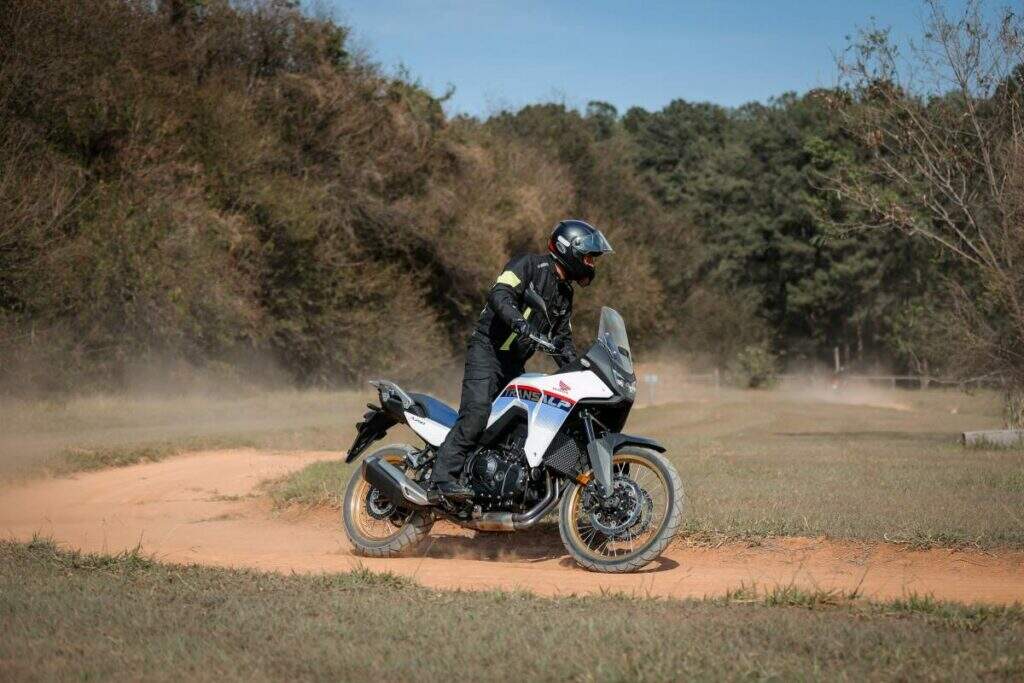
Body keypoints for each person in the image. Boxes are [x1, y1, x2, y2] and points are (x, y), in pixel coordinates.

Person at [429, 219, 613, 500]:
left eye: (593, 259)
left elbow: (562, 341)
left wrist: (580, 376)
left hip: (513, 364)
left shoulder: (564, 295)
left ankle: (494, 488)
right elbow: (500, 293)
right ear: (568, 249)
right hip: (487, 352)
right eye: (588, 257)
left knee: (518, 427)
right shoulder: (528, 264)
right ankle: (441, 480)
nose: (591, 264)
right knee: (477, 415)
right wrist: (519, 323)